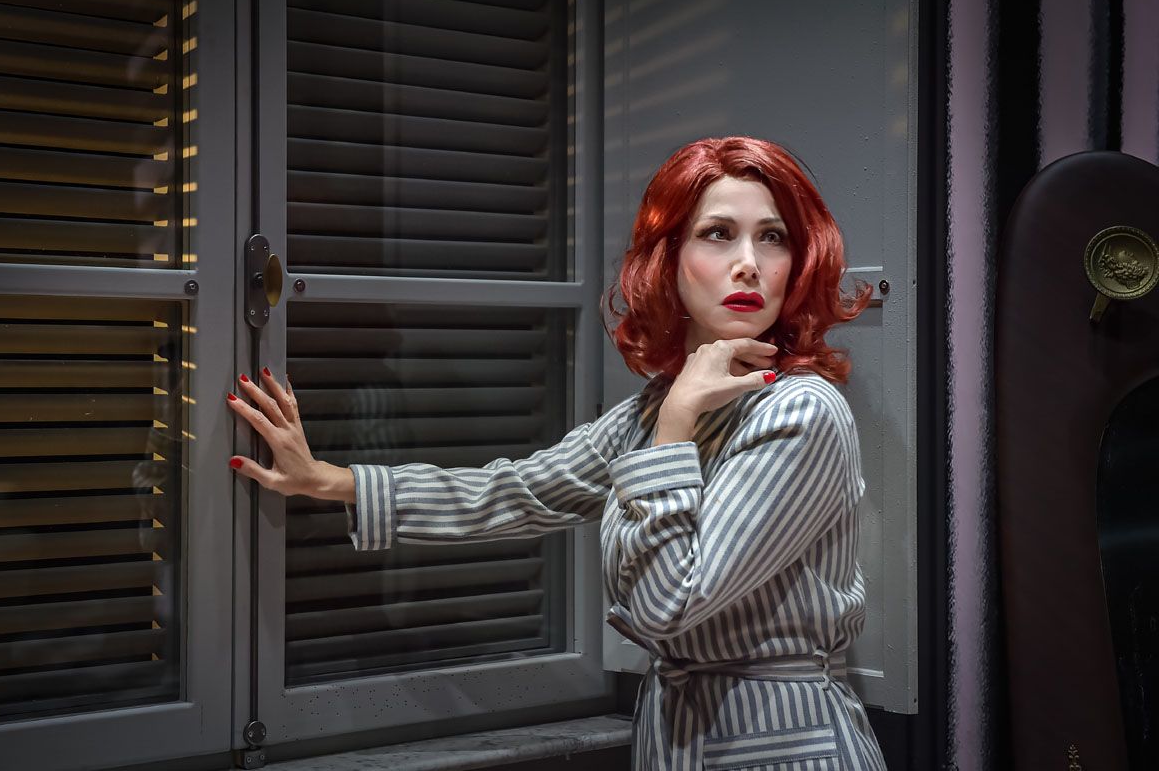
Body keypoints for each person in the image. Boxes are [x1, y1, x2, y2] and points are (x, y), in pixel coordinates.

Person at [227, 136, 884, 770]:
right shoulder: (655, 409)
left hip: (783, 742)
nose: (749, 262)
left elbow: (668, 607)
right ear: (668, 260)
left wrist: (677, 425)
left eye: (773, 237)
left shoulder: (800, 411)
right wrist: (326, 480)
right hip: (675, 736)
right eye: (718, 233)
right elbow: (516, 491)